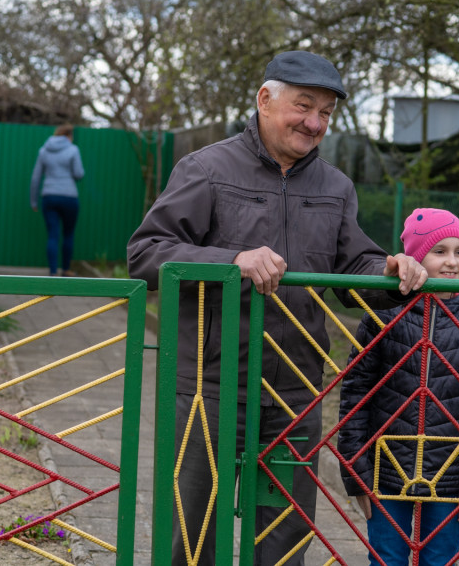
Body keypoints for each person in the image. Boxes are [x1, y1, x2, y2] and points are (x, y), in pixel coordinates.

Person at [127, 51, 428, 565]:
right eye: (303, 106)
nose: (314, 123)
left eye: (326, 113)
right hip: (208, 384)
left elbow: (354, 267)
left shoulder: (335, 188)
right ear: (265, 100)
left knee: (287, 540)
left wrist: (393, 273)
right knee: (192, 534)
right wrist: (232, 260)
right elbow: (147, 253)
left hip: (294, 389)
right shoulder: (206, 169)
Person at [337, 208, 459, 566]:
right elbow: (355, 397)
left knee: (440, 559)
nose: (452, 262)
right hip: (386, 469)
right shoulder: (382, 316)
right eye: (439, 251)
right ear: (414, 259)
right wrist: (356, 475)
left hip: (449, 473)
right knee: (386, 558)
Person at [30, 124, 85, 276]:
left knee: (53, 235)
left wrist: (34, 201)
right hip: (69, 197)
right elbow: (79, 173)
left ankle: (53, 271)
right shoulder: (73, 150)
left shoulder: (44, 150)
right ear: (69, 135)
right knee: (68, 234)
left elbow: (36, 177)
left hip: (49, 196)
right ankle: (66, 269)